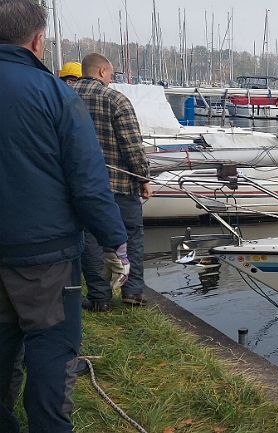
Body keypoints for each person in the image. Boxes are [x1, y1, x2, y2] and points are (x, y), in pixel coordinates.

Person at [0, 1, 129, 431]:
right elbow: (89, 184)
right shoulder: (55, 95)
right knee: (51, 350)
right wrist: (115, 242)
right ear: (37, 40)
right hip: (45, 255)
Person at [72, 53, 152, 310]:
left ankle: (99, 297)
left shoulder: (65, 98)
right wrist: (143, 178)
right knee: (131, 235)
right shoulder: (116, 99)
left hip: (82, 185)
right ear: (101, 71)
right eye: (111, 74)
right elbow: (132, 146)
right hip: (119, 184)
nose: (110, 79)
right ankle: (133, 291)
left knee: (89, 239)